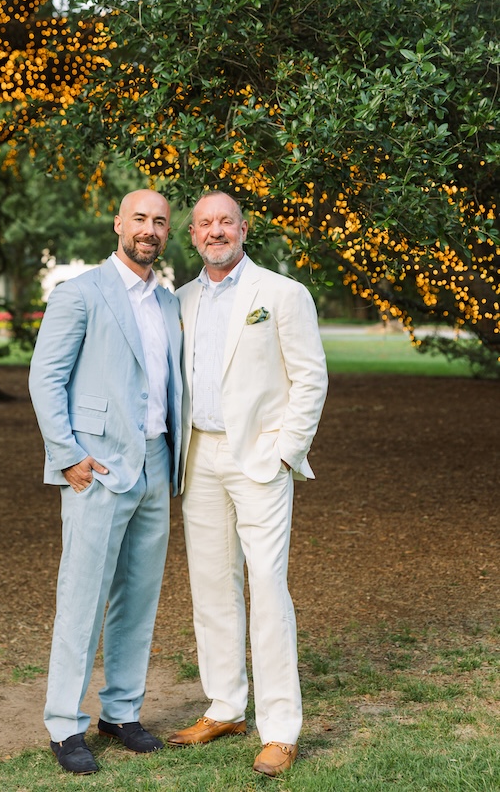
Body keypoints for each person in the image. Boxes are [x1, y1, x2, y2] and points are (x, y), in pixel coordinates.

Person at [167, 191, 328, 777]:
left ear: (243, 228)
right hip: (199, 455)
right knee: (211, 587)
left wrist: (286, 452)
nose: (216, 231)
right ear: (192, 233)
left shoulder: (282, 294)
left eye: (226, 222)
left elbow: (310, 378)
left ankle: (281, 728)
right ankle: (226, 706)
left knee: (267, 586)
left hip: (259, 458)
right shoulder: (180, 301)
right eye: (205, 223)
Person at [28, 189, 183, 776]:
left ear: (167, 233)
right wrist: (67, 456)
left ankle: (120, 712)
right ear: (119, 223)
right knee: (82, 597)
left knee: (139, 596)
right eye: (139, 218)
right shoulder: (80, 293)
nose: (148, 229)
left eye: (159, 222)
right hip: (95, 468)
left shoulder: (168, 303)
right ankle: (64, 724)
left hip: (155, 464)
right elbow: (46, 379)